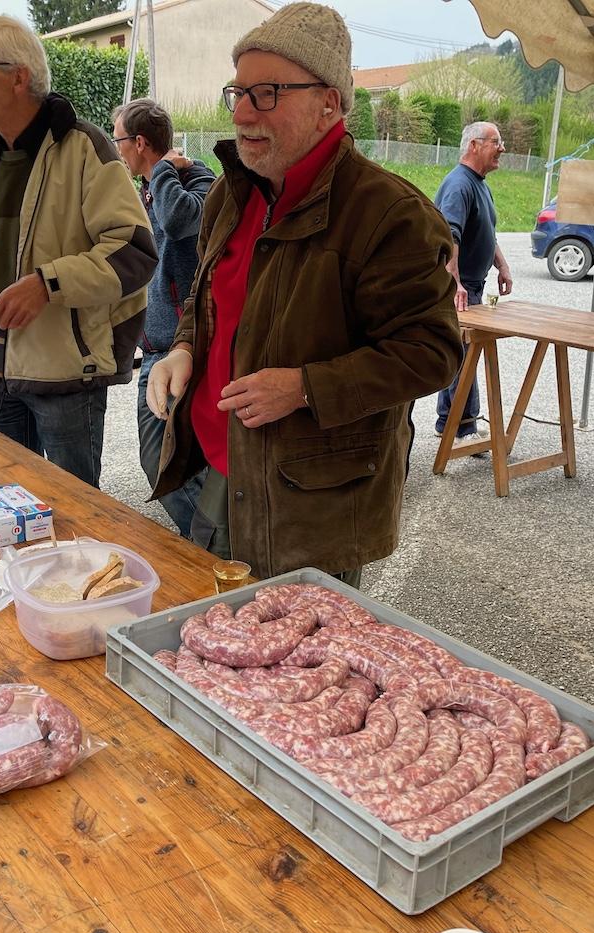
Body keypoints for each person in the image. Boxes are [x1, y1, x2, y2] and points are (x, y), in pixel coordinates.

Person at [146, 2, 461, 585]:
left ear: (329, 104)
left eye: (265, 93)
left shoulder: (391, 214)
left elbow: (432, 354)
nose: (242, 111)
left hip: (311, 495)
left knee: (298, 666)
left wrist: (303, 388)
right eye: (236, 92)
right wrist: (184, 348)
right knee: (212, 644)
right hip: (220, 465)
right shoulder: (228, 195)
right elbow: (205, 298)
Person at [0, 15, 157, 487]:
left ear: (18, 76)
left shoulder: (85, 148)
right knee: (3, 510)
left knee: (75, 520)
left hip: (64, 376)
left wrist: (47, 284)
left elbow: (134, 252)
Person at [111, 97, 214, 536]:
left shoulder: (199, 178)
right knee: (162, 462)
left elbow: (179, 221)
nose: (115, 150)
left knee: (165, 460)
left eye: (118, 140)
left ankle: (220, 548)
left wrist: (166, 169)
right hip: (155, 348)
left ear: (139, 142)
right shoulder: (147, 190)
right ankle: (216, 546)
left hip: (184, 348)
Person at [432, 120, 513, 447]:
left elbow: (485, 233)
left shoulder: (479, 184)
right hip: (460, 290)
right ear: (474, 145)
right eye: (496, 141)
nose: (502, 148)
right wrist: (456, 282)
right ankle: (463, 428)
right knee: (463, 356)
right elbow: (449, 235)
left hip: (471, 285)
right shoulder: (459, 184)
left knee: (460, 353)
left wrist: (502, 265)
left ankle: (447, 422)